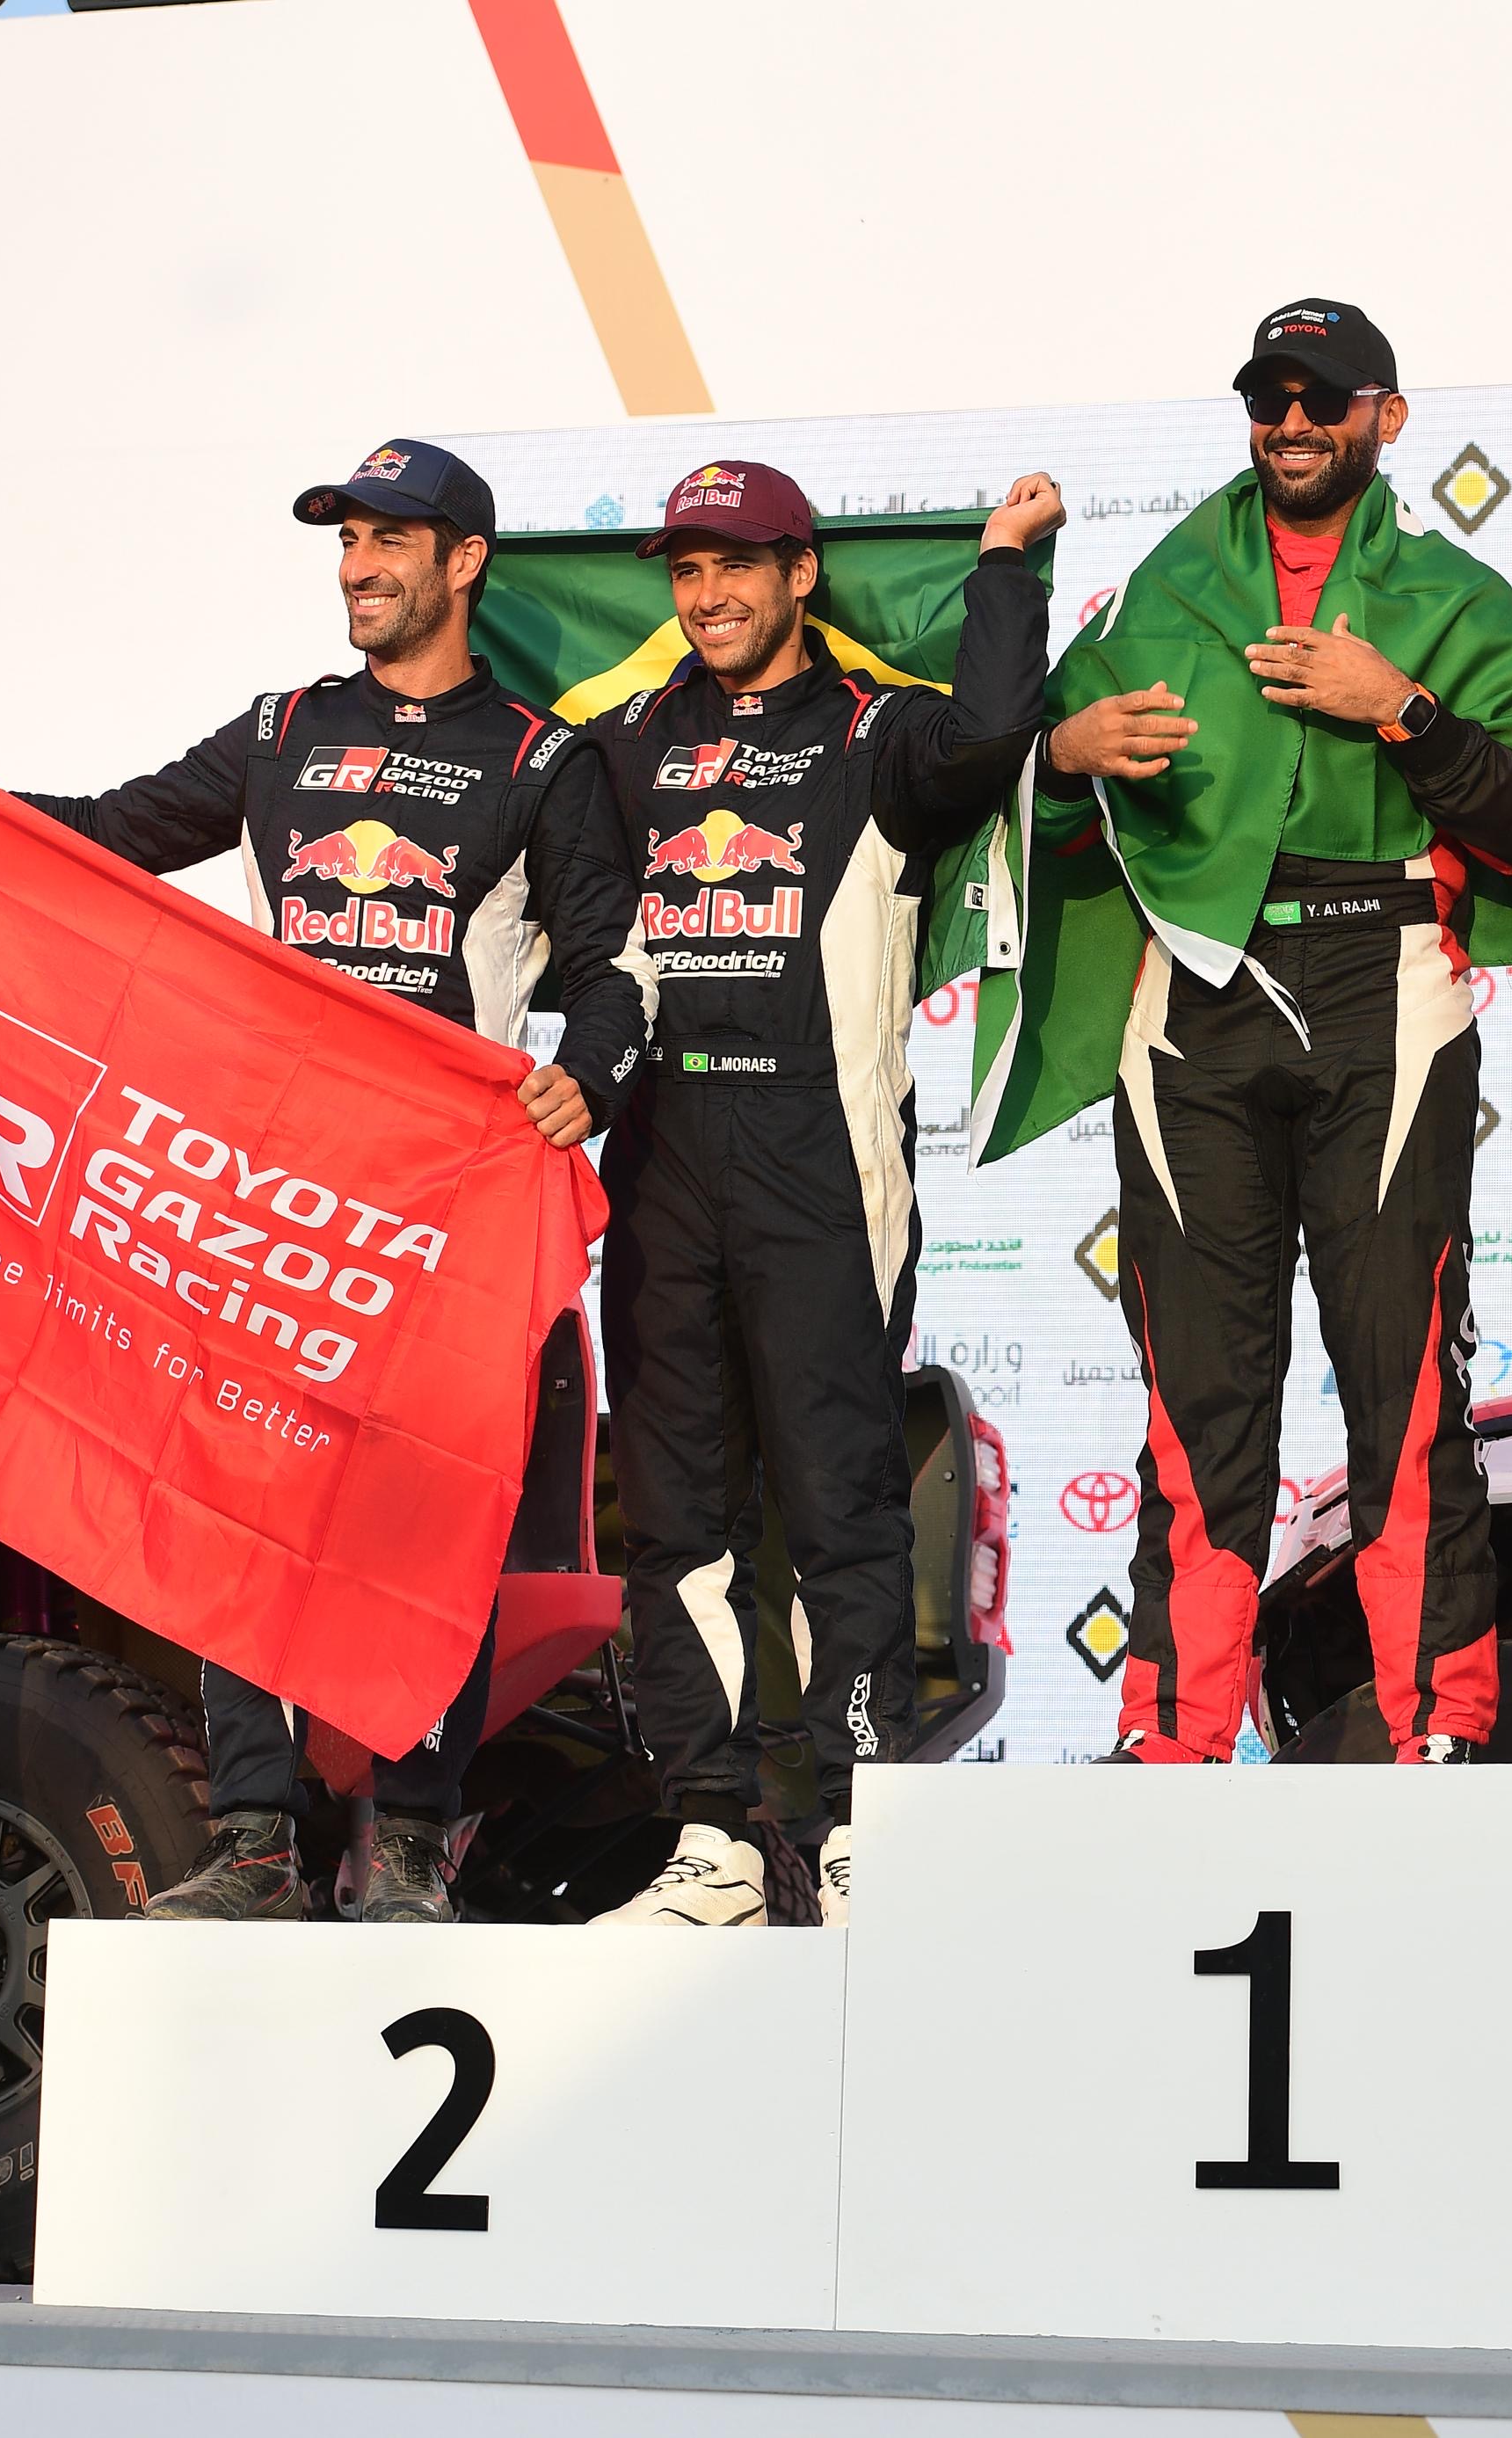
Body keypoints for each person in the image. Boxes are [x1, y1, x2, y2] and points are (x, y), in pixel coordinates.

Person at [0, 438, 657, 1925]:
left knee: (421, 1528)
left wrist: (590, 1072)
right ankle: (257, 1838)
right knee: (235, 1499)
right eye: (346, 542)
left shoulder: (539, 761)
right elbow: (98, 837)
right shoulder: (281, 731)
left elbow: (616, 968)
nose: (358, 568)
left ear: (464, 563)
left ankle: (410, 1841)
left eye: (389, 542)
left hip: (430, 1220)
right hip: (270, 1193)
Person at [1020, 299, 1512, 1766]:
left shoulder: (1456, 597)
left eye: (1321, 398)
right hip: (1193, 992)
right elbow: (1031, 795)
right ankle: (1173, 1733)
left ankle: (1434, 1727)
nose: (1290, 422)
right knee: (1197, 1394)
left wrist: (1400, 709)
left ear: (1385, 417)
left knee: (1403, 1384)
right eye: (1268, 397)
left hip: (1379, 979)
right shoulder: (1163, 584)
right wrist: (1064, 753)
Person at [591, 457, 1056, 1925]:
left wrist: (1002, 568)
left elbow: (995, 733)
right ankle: (714, 1836)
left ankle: (860, 1821)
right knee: (678, 1514)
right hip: (659, 1148)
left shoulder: (875, 731)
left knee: (842, 1500)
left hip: (824, 1154)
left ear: (802, 575)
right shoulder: (624, 741)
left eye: (736, 565)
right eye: (686, 571)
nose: (708, 595)